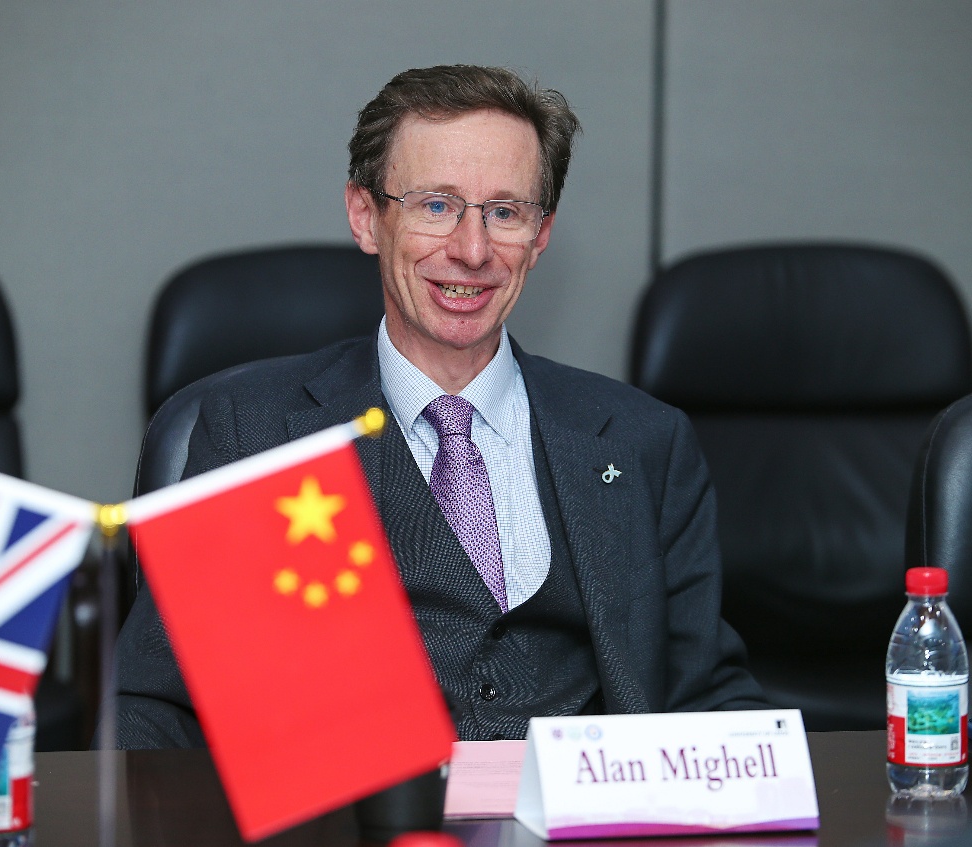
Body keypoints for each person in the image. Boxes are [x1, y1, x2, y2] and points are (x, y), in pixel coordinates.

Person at [113, 64, 766, 748]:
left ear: (540, 235)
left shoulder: (643, 440)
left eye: (505, 212)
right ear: (366, 217)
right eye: (435, 206)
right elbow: (156, 709)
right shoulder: (254, 430)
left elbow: (704, 699)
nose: (472, 250)